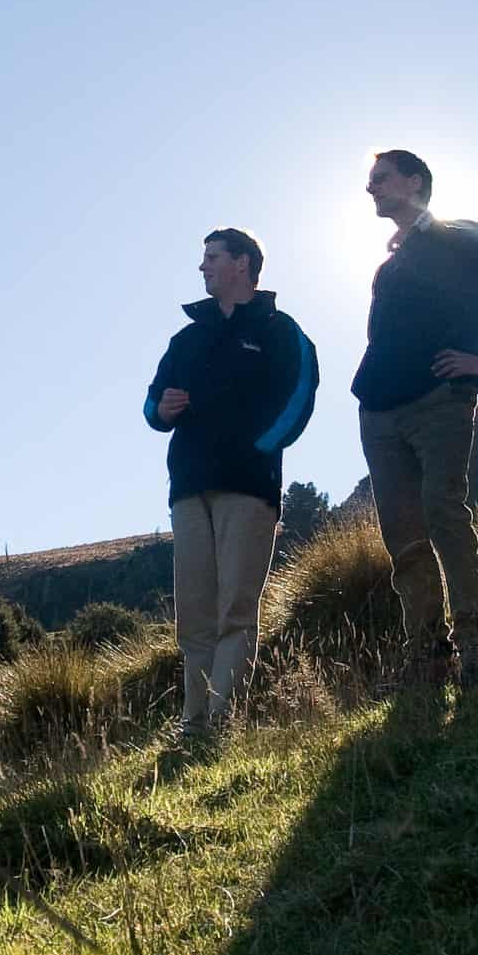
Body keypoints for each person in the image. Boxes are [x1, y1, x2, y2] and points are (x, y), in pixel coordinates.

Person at [352, 150, 478, 685]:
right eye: (369, 181)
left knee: (443, 513)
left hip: (440, 399)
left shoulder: (461, 235)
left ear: (415, 181)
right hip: (378, 410)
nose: (370, 188)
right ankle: (426, 659)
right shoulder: (394, 258)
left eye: (381, 179)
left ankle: (477, 651)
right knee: (403, 534)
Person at [142, 228, 319, 735]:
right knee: (194, 616)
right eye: (204, 260)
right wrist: (163, 409)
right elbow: (153, 402)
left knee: (234, 610)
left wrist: (257, 450)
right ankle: (193, 725)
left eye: (212, 258)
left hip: (248, 487)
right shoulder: (187, 338)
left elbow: (300, 397)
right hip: (189, 488)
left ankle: (223, 722)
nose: (203, 268)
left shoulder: (281, 332)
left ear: (242, 264)